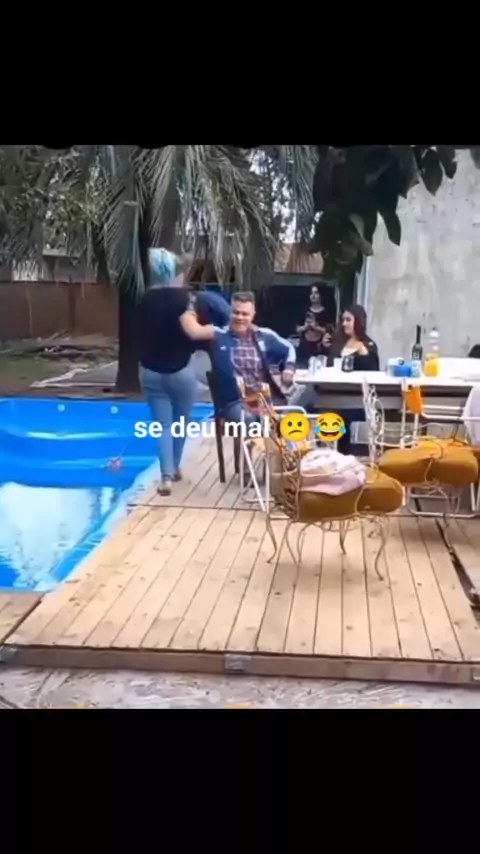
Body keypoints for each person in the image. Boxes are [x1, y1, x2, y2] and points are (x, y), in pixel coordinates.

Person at [138, 248, 215, 496]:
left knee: (162, 426)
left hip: (150, 371)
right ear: (174, 272)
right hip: (181, 370)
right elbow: (197, 333)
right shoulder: (186, 300)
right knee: (180, 423)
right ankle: (174, 468)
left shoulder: (144, 299)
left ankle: (165, 478)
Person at [291, 304, 379, 454]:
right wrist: (324, 347)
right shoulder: (338, 342)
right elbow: (328, 365)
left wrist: (363, 352)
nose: (344, 323)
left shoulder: (368, 345)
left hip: (354, 399)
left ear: (358, 321)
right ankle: (299, 443)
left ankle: (337, 453)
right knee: (308, 398)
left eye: (348, 320)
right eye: (343, 320)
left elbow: (372, 370)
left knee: (334, 414)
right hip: (330, 393)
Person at [209, 291, 296, 424]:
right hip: (234, 402)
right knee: (252, 421)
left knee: (295, 416)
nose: (240, 317)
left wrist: (289, 367)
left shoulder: (264, 335)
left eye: (245, 314)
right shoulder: (218, 336)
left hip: (266, 399)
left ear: (253, 315)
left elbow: (289, 348)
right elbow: (192, 330)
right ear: (229, 313)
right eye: (236, 312)